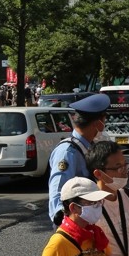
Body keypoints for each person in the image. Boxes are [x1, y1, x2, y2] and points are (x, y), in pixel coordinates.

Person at [39, 177, 117, 256]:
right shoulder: (58, 244)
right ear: (74, 208)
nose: (98, 206)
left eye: (99, 202)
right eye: (92, 202)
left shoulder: (96, 233)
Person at [47, 92, 110, 226]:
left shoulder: (89, 145)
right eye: (104, 119)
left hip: (89, 221)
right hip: (74, 225)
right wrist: (64, 224)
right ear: (97, 122)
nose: (105, 124)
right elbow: (57, 192)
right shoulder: (68, 152)